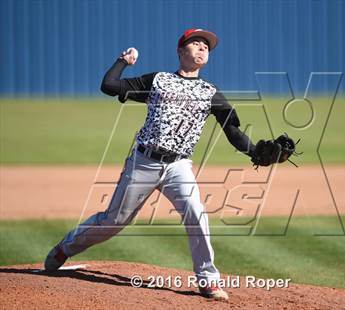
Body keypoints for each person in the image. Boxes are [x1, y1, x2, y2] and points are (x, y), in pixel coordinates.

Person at [44, 28, 257, 300]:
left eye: (207, 46)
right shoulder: (159, 81)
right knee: (114, 220)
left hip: (179, 166)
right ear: (181, 51)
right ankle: (65, 248)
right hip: (143, 162)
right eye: (196, 43)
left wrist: (256, 151)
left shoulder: (210, 92)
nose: (203, 48)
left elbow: (234, 132)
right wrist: (123, 62)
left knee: (196, 212)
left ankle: (208, 280)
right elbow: (109, 86)